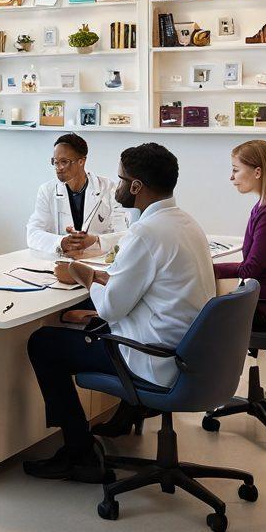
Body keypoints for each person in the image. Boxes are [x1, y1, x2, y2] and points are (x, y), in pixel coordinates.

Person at [23, 143, 215, 482]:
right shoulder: (186, 223)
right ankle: (110, 425)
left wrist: (81, 274)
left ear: (137, 186)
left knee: (44, 342)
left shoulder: (145, 232)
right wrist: (102, 277)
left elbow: (110, 306)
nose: (118, 185)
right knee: (76, 327)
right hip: (188, 351)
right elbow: (148, 284)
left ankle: (79, 452)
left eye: (122, 178)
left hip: (153, 356)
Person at [214, 139, 266, 331]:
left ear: (257, 172)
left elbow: (250, 269)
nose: (231, 178)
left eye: (235, 169)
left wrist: (211, 269)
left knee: (201, 315)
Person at [26, 133, 128, 260]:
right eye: (55, 162)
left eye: (64, 162)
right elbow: (33, 234)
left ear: (82, 161)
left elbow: (125, 235)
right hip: (60, 263)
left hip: (97, 262)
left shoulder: (107, 188)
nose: (58, 168)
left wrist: (96, 241)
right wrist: (62, 242)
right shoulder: (47, 191)